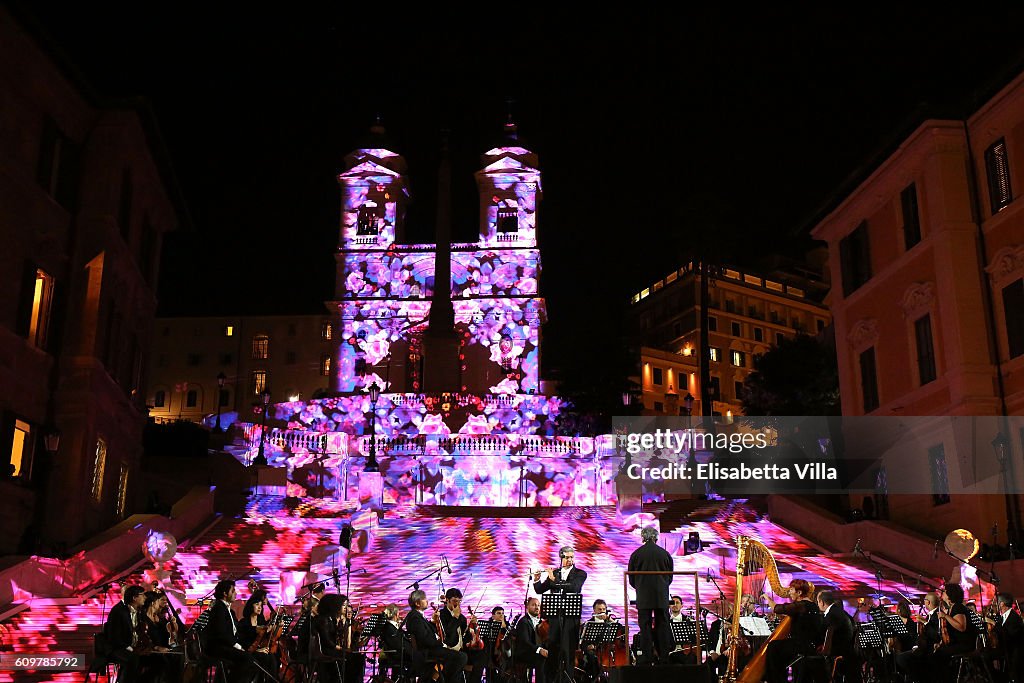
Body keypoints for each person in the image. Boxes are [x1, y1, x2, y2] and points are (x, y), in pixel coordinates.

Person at [533, 546, 587, 682]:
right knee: (553, 650)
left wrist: (554, 580)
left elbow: (574, 587)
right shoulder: (555, 572)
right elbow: (540, 590)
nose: (570, 560)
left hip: (570, 618)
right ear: (561, 557)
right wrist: (536, 579)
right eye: (567, 557)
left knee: (568, 652)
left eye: (572, 557)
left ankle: (567, 680)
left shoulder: (580, 573)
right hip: (555, 618)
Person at [627, 526, 673, 665]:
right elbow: (669, 577)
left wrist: (640, 588)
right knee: (662, 625)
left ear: (643, 537)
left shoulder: (636, 554)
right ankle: (664, 657)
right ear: (656, 537)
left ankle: (647, 658)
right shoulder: (664, 554)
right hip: (661, 596)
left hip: (643, 596)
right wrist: (662, 587)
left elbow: (631, 579)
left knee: (645, 627)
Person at [763, 579, 823, 683]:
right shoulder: (812, 605)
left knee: (773, 646)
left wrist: (767, 598)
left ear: (799, 593)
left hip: (802, 646)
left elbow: (777, 608)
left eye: (791, 590)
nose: (789, 592)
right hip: (810, 644)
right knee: (778, 648)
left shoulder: (801, 605)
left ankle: (776, 680)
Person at [405, 588, 468, 683]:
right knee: (461, 657)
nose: (427, 601)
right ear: (417, 603)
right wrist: (440, 643)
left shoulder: (417, 616)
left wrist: (432, 622)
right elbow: (424, 639)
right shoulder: (414, 617)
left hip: (431, 649)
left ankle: (436, 679)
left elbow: (426, 633)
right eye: (424, 599)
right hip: (426, 651)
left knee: (461, 656)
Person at [202, 580, 256, 683]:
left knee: (255, 656)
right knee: (246, 658)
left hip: (227, 645)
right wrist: (238, 646)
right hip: (218, 647)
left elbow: (237, 630)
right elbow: (222, 634)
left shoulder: (229, 610)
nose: (236, 593)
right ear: (225, 593)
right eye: (233, 591)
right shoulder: (218, 608)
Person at [929, 584, 976, 683]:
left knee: (938, 655)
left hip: (964, 644)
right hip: (956, 643)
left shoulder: (958, 607)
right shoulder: (952, 608)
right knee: (935, 652)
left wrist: (945, 616)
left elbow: (961, 627)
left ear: (951, 594)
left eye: (945, 591)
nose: (943, 593)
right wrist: (940, 643)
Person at [896, 592, 941, 683]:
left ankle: (918, 679)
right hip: (925, 646)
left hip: (931, 648)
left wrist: (925, 622)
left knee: (902, 658)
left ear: (928, 602)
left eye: (924, 601)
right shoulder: (931, 614)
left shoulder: (937, 614)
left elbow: (936, 635)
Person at [103, 584, 145, 683]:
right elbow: (114, 636)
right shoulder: (118, 611)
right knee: (133, 659)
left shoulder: (137, 611)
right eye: (142, 595)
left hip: (131, 646)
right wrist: (130, 648)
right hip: (117, 648)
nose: (145, 597)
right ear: (134, 598)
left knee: (149, 657)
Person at [984, 593, 1023, 683]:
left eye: (996, 602)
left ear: (1001, 604)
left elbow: (1009, 635)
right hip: (1004, 648)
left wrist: (993, 623)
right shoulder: (1001, 617)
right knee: (984, 654)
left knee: (985, 656)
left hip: (1013, 650)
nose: (994, 605)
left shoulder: (1014, 618)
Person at [514, 597, 547, 683]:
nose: (537, 607)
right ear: (527, 607)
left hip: (537, 651)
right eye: (533, 605)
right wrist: (539, 650)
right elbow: (525, 642)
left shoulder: (542, 622)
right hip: (525, 652)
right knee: (541, 659)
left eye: (538, 605)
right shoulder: (523, 622)